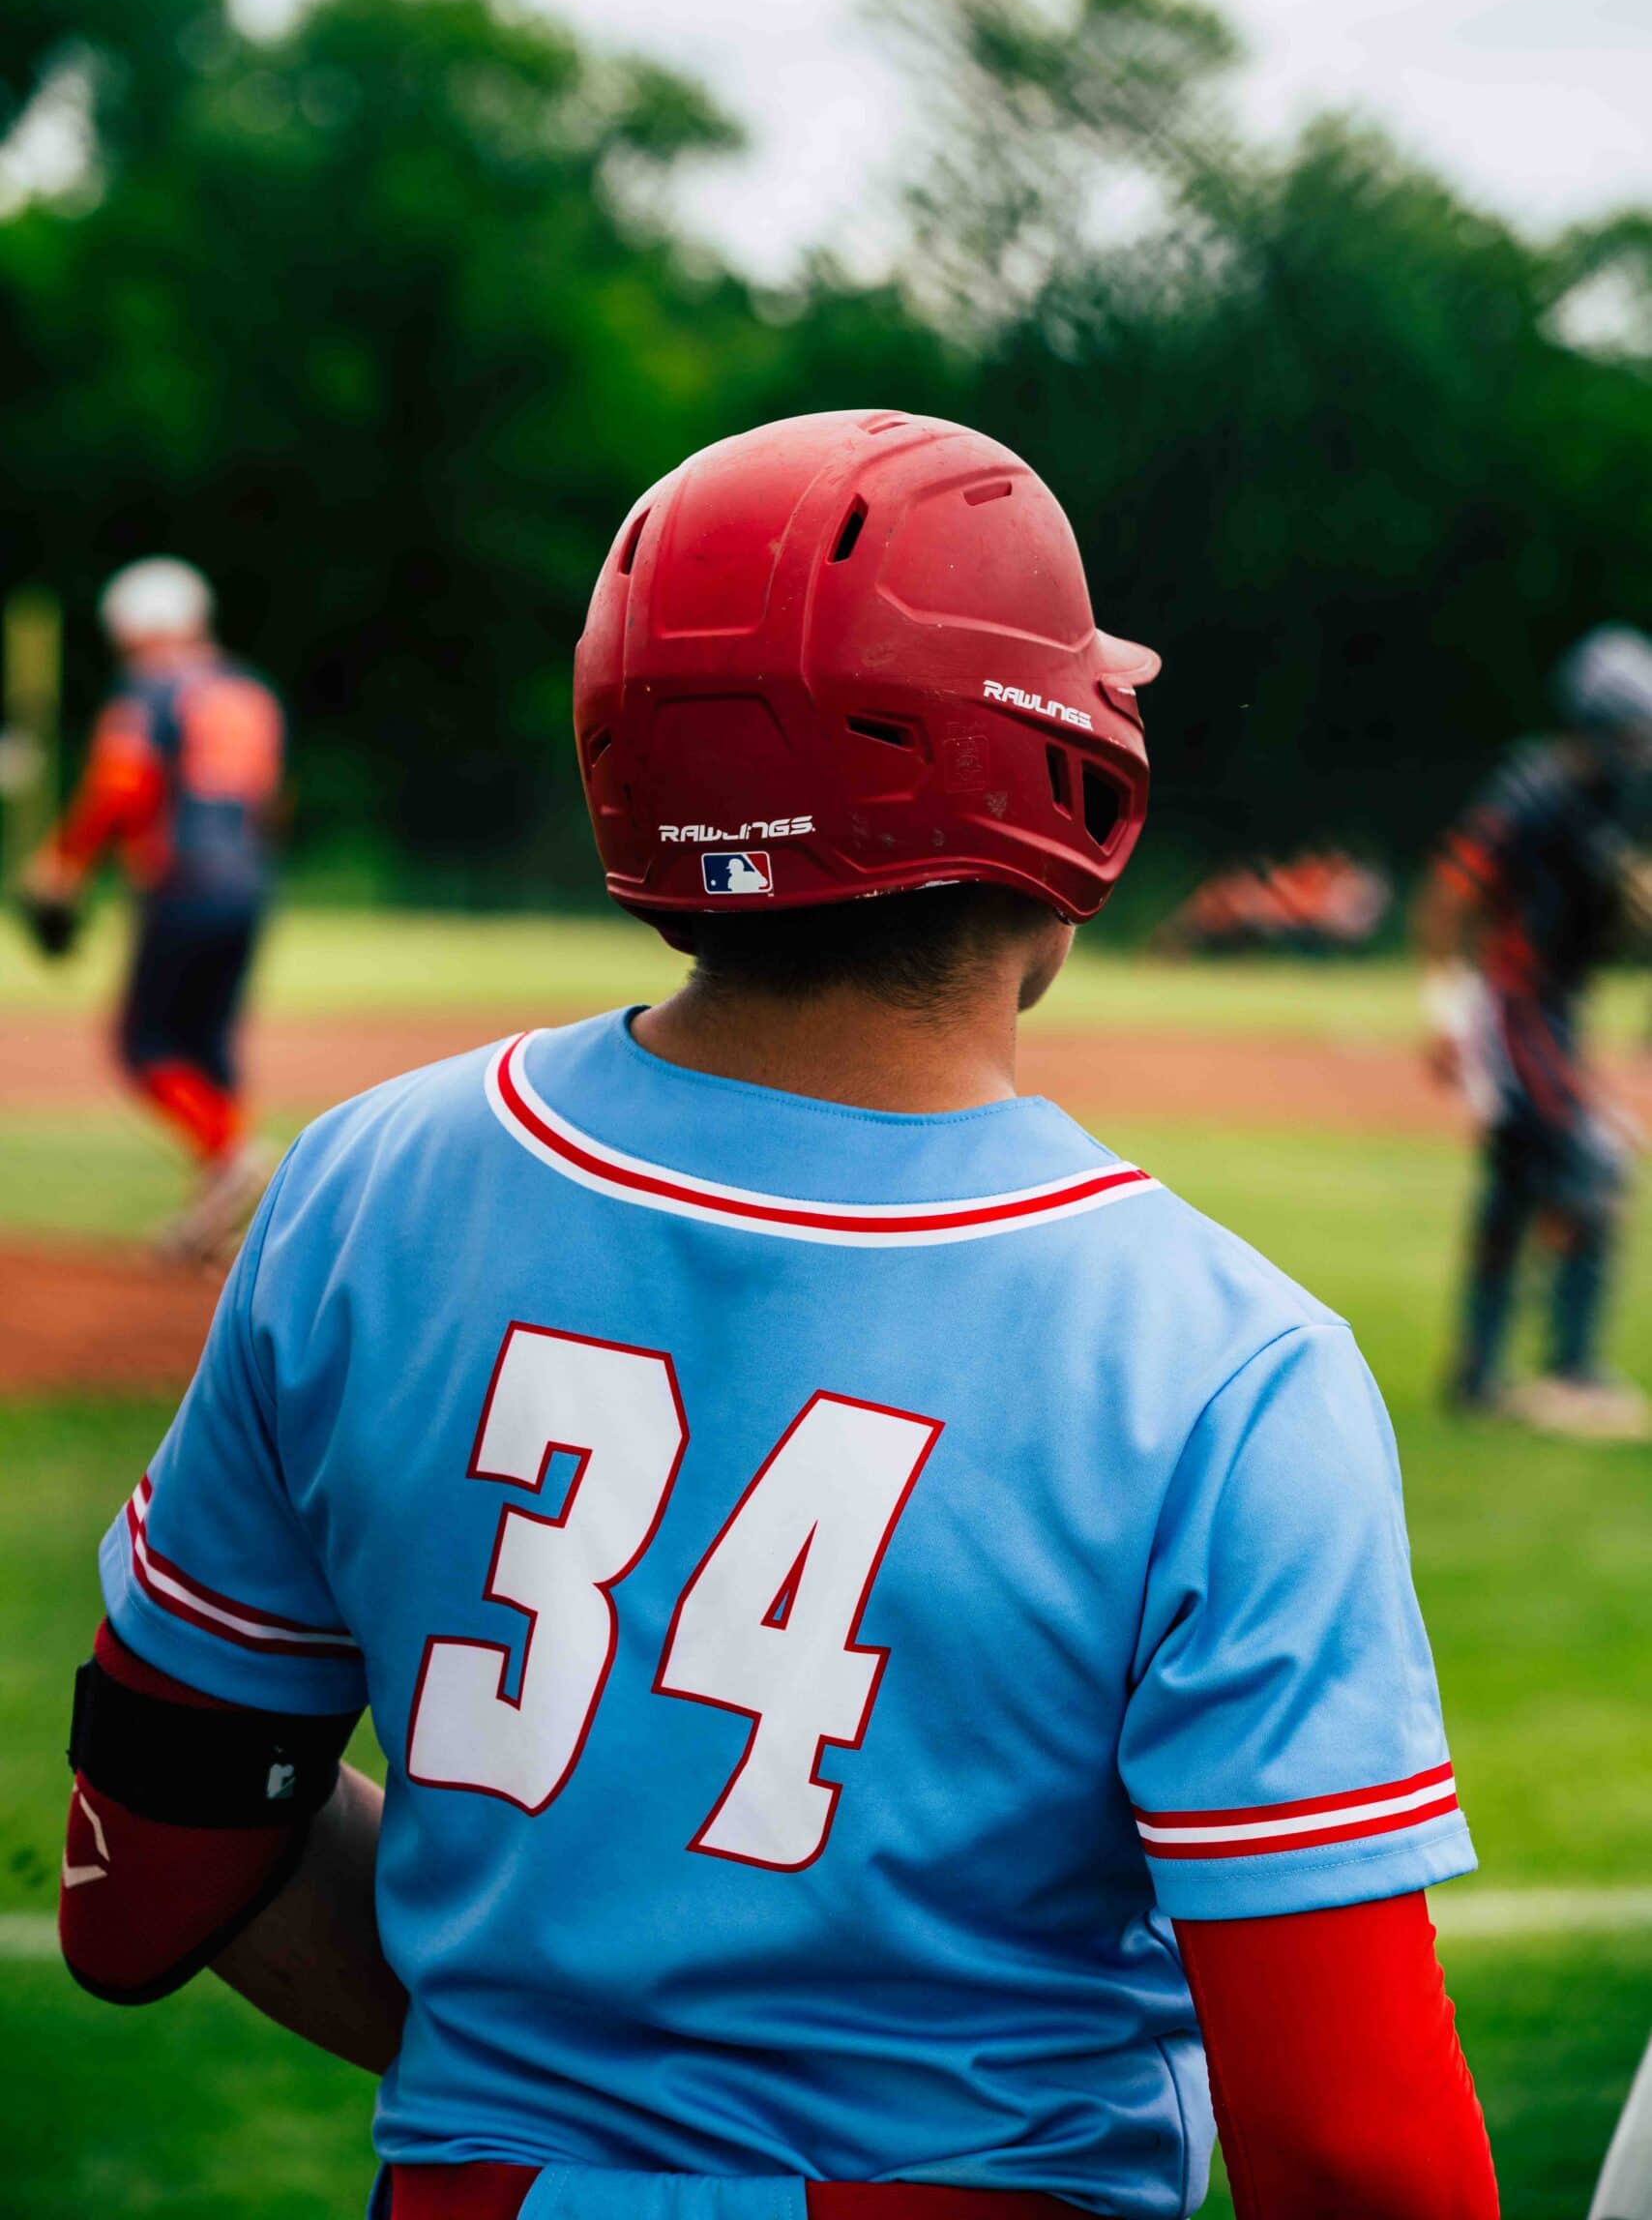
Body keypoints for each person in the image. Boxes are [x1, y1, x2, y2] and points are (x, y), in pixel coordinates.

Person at [58, 414, 1497, 2218]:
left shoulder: (364, 1186)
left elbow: (149, 1876)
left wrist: (583, 2088)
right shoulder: (1217, 1361)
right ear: (1068, 777)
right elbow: (1355, 2151)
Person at [1417, 624, 1652, 1440]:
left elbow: (1610, 911)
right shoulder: (1534, 791)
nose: (1639, 748)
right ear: (1593, 724)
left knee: (1516, 1184)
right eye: (1629, 731)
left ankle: (1476, 1377)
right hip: (1513, 1004)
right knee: (1593, 1164)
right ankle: (1573, 1372)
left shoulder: (1614, 804)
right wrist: (1446, 1010)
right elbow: (1451, 891)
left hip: (1554, 1005)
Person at [24, 556, 283, 1260]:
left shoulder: (151, 689)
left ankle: (233, 1159)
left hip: (181, 884)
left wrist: (65, 866)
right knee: (208, 1047)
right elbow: (265, 803)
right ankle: (222, 1215)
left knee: (147, 1046)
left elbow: (122, 785)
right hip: (251, 885)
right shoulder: (250, 691)